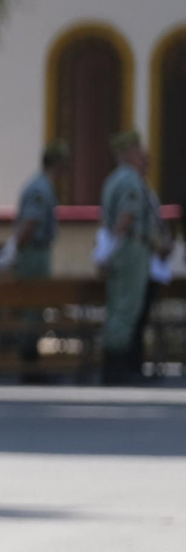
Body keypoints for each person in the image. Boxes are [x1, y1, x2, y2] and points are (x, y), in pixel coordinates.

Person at [97, 131, 166, 384]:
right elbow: (127, 216)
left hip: (121, 249)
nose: (141, 157)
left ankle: (115, 366)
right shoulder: (130, 180)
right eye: (138, 151)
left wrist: (107, 250)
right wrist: (113, 246)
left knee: (118, 306)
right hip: (131, 249)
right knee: (127, 307)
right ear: (129, 152)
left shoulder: (113, 179)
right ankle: (117, 368)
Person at [1, 142, 65, 379]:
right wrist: (13, 248)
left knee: (36, 307)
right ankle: (29, 364)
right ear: (56, 164)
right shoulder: (41, 187)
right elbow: (30, 222)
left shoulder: (42, 185)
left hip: (36, 250)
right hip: (34, 252)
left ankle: (31, 362)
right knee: (33, 306)